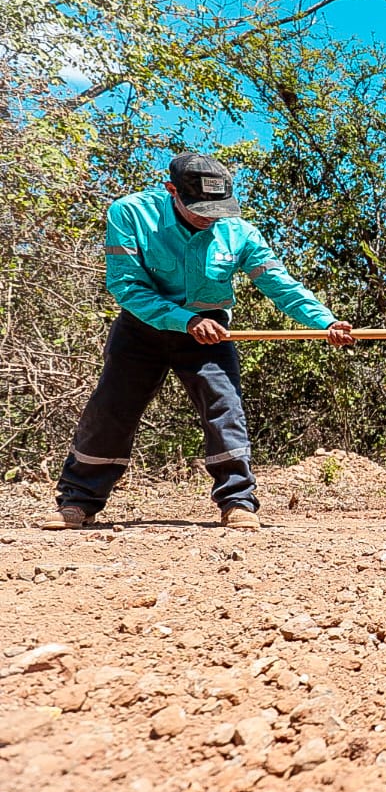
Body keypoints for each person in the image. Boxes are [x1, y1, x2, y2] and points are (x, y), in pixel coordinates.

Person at [42, 153, 355, 532]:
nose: (209, 216)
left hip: (210, 332)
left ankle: (237, 500)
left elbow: (280, 284)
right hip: (142, 330)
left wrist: (325, 321)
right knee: (111, 409)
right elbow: (125, 285)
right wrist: (185, 320)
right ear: (171, 191)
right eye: (199, 208)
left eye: (217, 208)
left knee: (225, 407)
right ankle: (77, 502)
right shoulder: (130, 214)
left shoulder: (240, 233)